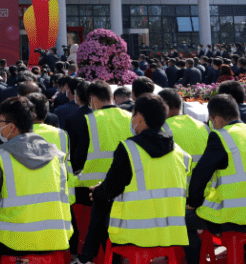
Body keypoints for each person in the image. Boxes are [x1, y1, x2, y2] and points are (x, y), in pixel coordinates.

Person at [74, 94, 191, 264]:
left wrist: (98, 191)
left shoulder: (129, 149)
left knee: (100, 200)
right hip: (171, 232)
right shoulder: (179, 152)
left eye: (133, 115)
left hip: (134, 231)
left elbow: (111, 189)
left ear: (140, 118)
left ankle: (86, 258)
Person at [185, 95, 246, 264]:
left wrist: (192, 203)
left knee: (181, 220)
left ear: (216, 119)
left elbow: (200, 174)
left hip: (236, 217)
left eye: (212, 121)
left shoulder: (222, 136)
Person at [0, 97, 71, 264]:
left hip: (8, 243)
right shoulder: (57, 156)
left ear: (12, 127)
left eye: (1, 121)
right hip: (52, 241)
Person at [70, 81, 132, 188]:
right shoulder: (131, 117)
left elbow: (79, 156)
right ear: (111, 96)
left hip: (93, 185)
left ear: (92, 98)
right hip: (126, 182)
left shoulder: (89, 120)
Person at [158, 88, 209, 165]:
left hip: (179, 176)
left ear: (163, 108)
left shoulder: (161, 129)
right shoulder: (204, 127)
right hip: (206, 176)